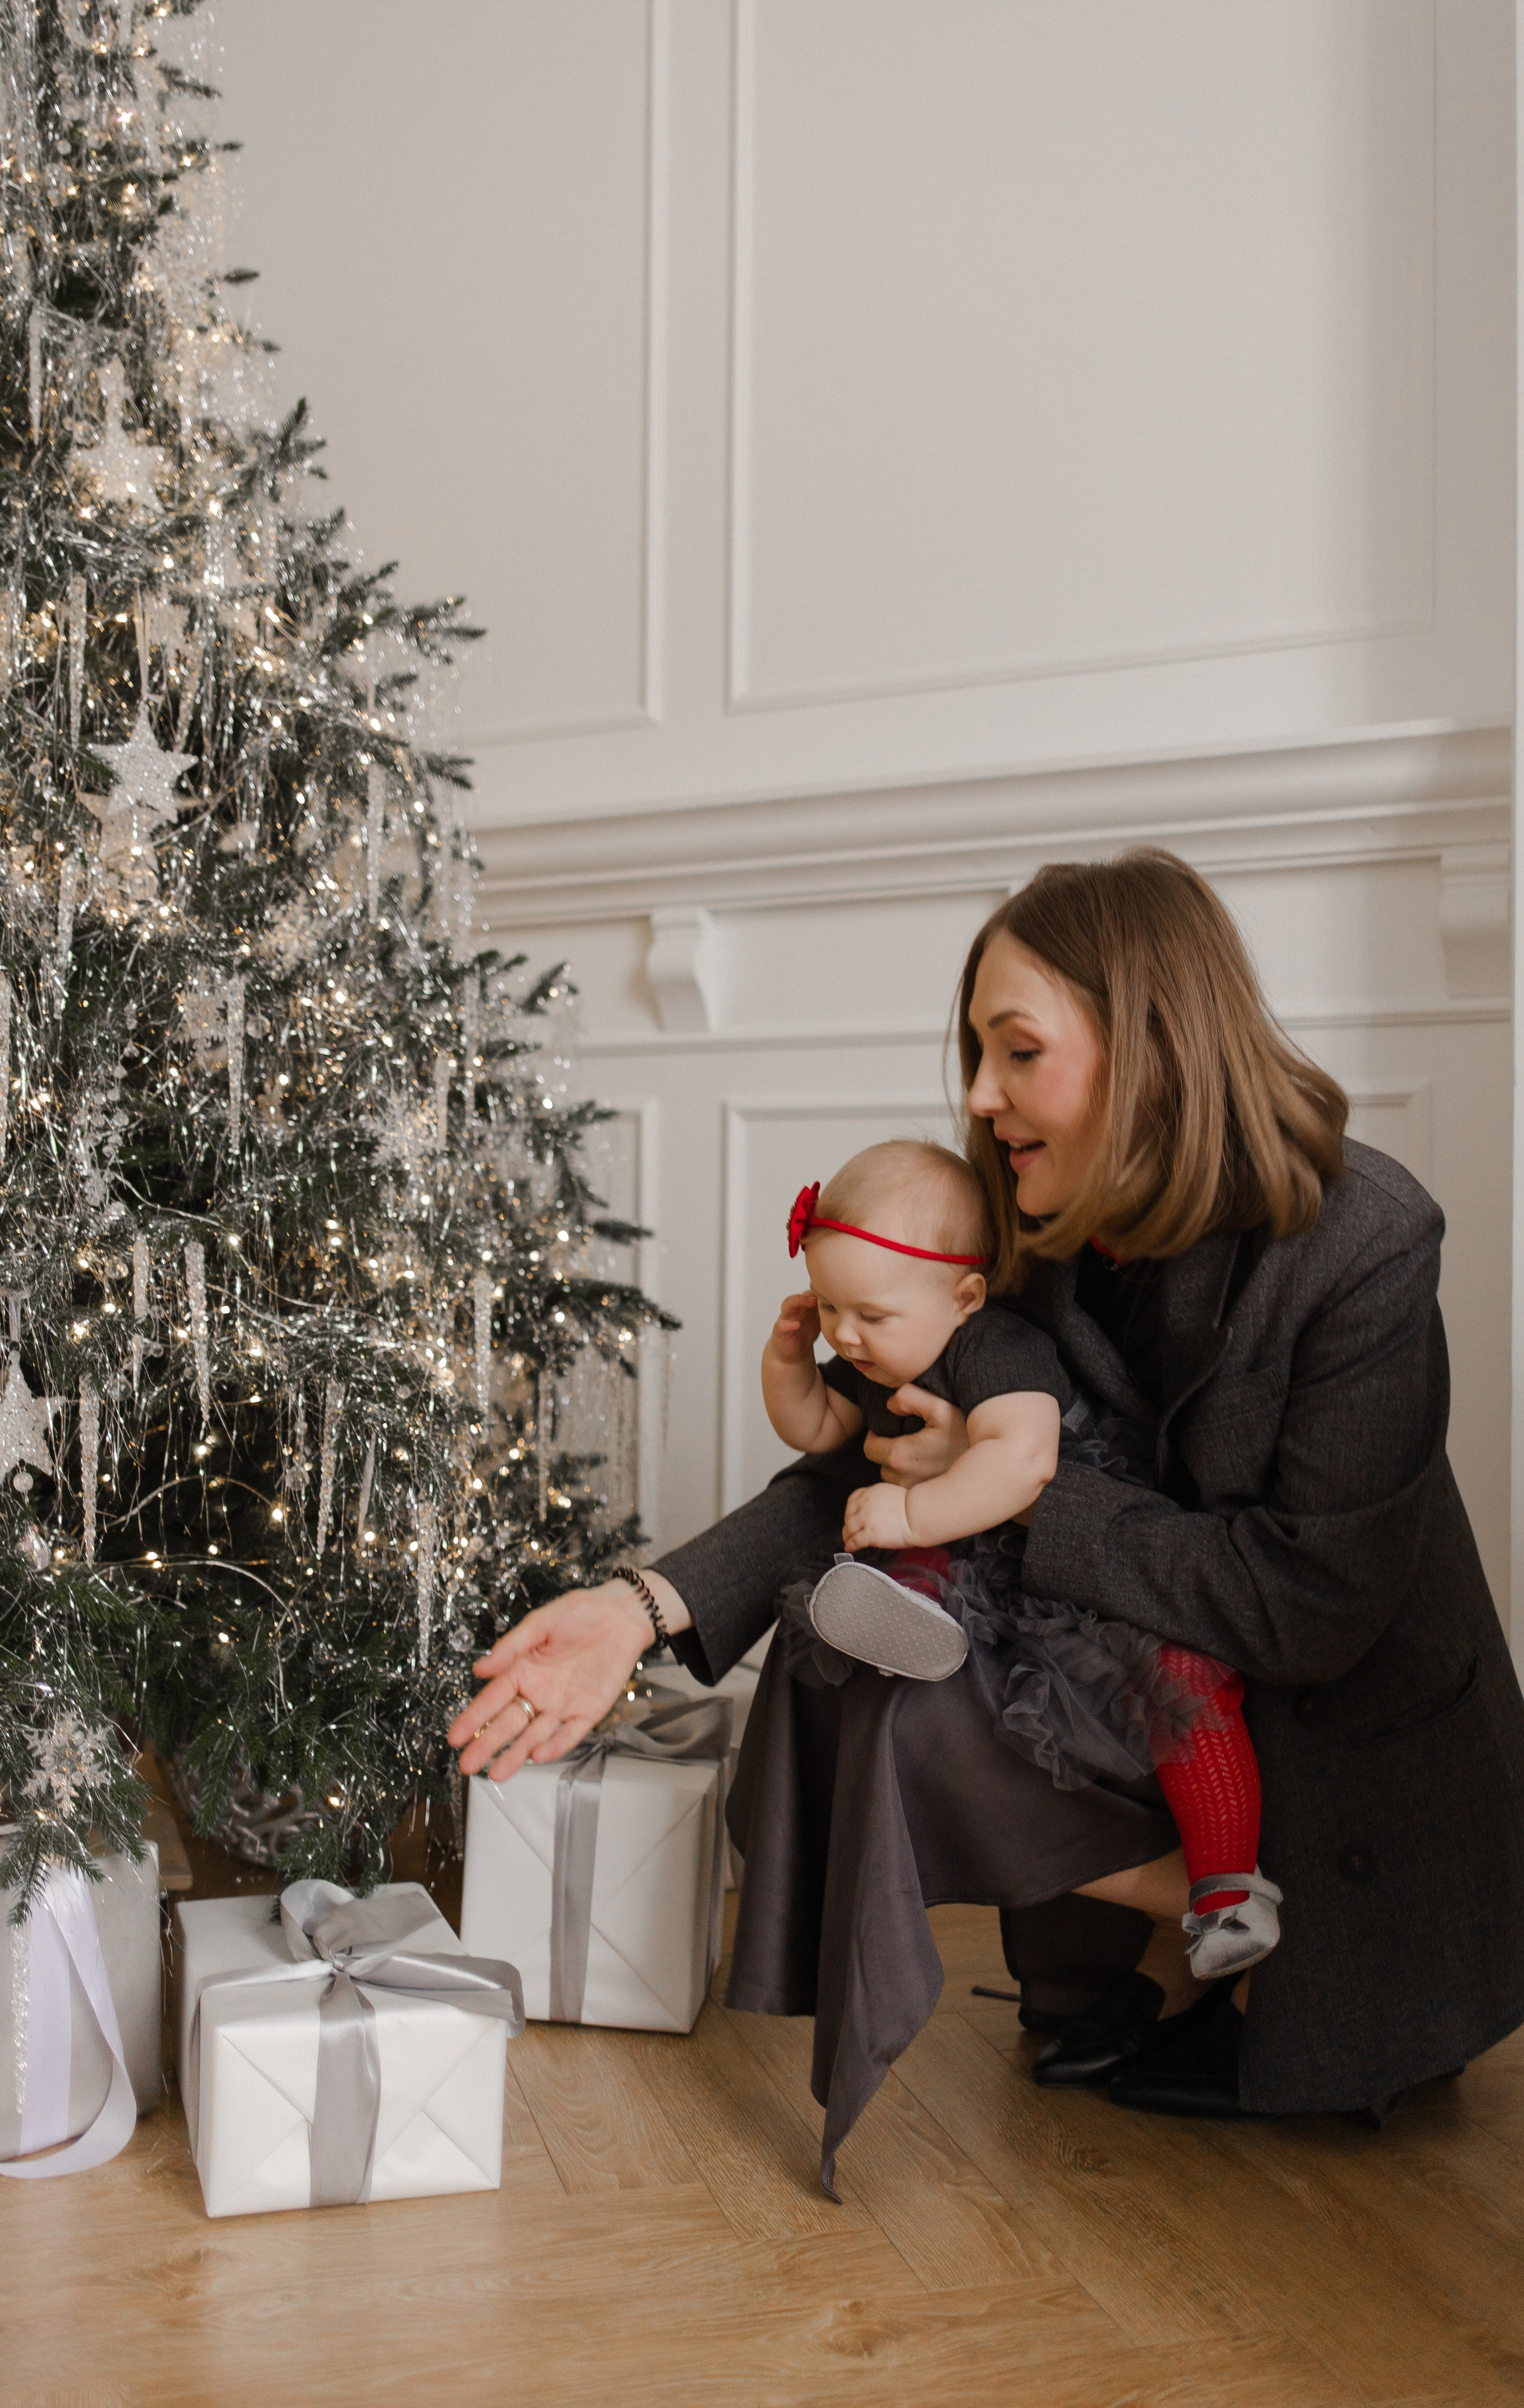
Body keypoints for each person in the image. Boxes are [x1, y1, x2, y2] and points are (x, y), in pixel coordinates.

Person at [450, 848, 1524, 2194]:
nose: (975, 1094)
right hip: (1130, 1678)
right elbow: (862, 1486)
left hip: (1335, 1757)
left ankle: (1277, 1938)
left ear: (1149, 1051)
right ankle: (1174, 1928)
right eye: (973, 1050)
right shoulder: (1019, 1228)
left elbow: (1305, 1604)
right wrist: (639, 1610)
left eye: (1016, 1051)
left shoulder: (1360, 1242)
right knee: (843, 1654)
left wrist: (1009, 1482)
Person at [767, 1136, 1279, 1984]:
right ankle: (917, 1613)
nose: (844, 1336)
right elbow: (821, 1430)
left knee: (1179, 1683)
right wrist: (789, 1363)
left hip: (1086, 1564)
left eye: (867, 1316)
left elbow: (1022, 1460)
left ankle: (1229, 1886)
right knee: (901, 1569)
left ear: (964, 1294)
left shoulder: (994, 1344)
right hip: (981, 1571)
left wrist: (908, 1508)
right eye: (826, 1309)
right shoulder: (875, 1349)